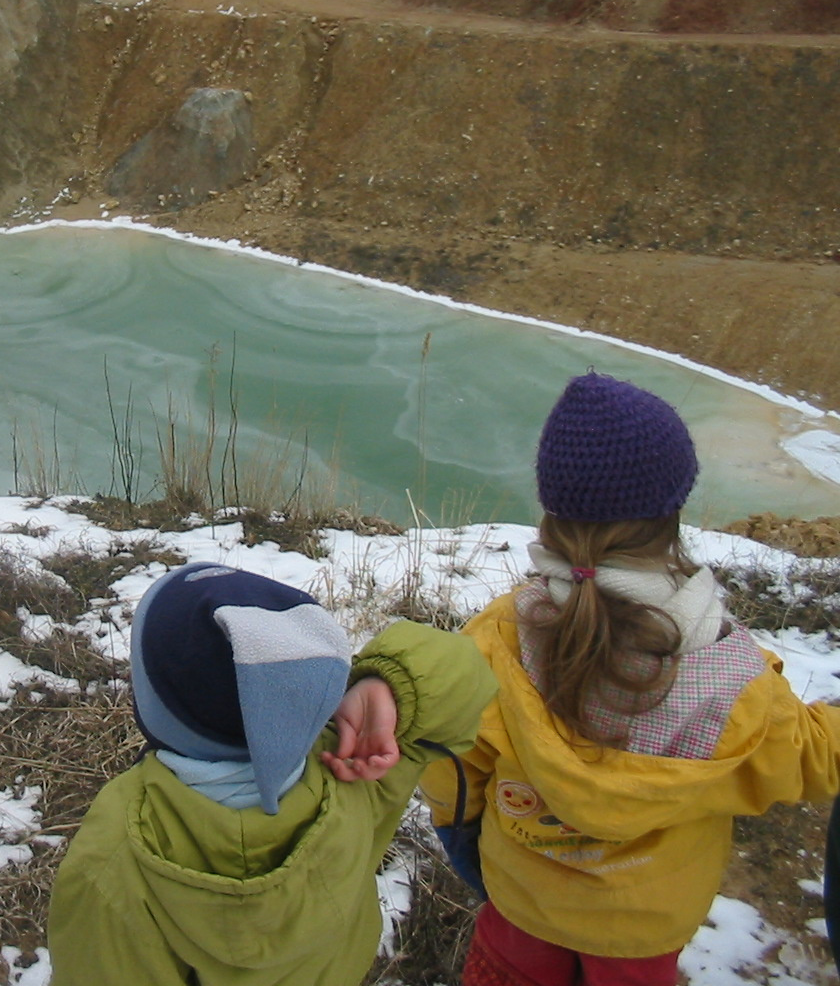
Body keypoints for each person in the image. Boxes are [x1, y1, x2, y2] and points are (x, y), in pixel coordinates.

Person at [422, 371, 840, 986]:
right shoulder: (729, 677)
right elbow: (807, 756)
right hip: (644, 928)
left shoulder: (500, 636)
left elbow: (452, 762)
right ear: (670, 513)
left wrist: (464, 840)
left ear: (553, 512)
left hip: (522, 905)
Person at [46, 560, 496, 985]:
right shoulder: (356, 771)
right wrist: (388, 689)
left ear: (157, 714)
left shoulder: (114, 859)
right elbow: (466, 671)